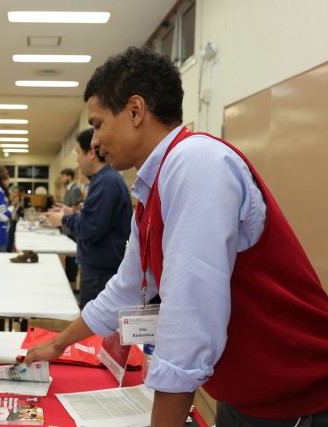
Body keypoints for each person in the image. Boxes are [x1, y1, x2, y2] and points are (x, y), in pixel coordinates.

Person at [25, 47, 328, 426]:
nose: (96, 142)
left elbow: (189, 320)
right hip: (242, 392)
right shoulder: (153, 188)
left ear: (135, 111)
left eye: (99, 124)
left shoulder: (196, 163)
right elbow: (126, 289)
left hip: (295, 396)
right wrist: (58, 342)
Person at [41, 128, 132, 308]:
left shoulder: (106, 182)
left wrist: (63, 220)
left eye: (78, 153)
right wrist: (73, 214)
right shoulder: (104, 180)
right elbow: (99, 220)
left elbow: (91, 228)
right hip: (100, 267)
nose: (77, 160)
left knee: (95, 331)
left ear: (91, 153)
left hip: (101, 271)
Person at [59, 168, 83, 282]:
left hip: (72, 228)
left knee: (72, 257)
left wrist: (63, 212)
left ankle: (72, 280)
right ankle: (69, 278)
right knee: (69, 257)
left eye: (63, 177)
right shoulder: (68, 190)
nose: (61, 179)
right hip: (67, 228)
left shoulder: (74, 189)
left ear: (69, 177)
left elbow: (76, 208)